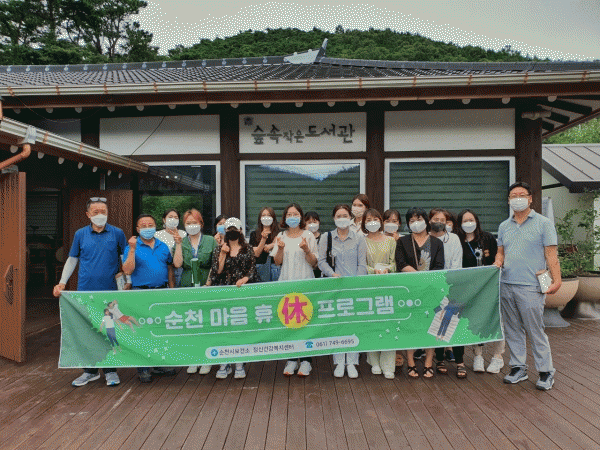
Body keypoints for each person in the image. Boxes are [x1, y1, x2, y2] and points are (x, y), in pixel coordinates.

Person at [494, 182, 561, 390]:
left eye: (522, 195)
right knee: (512, 329)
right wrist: (497, 262)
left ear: (530, 198)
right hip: (506, 283)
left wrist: (557, 280)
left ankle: (546, 371)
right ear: (508, 201)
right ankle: (518, 368)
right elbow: (501, 252)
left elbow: (551, 254)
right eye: (513, 195)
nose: (518, 199)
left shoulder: (543, 223)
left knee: (535, 330)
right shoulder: (504, 226)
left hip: (532, 285)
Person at [53, 197, 126, 387]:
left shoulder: (117, 233)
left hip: (109, 293)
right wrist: (62, 283)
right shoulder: (80, 234)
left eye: (103, 212)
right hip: (85, 292)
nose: (100, 215)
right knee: (87, 331)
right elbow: (72, 259)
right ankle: (90, 371)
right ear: (88, 214)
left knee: (109, 331)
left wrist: (128, 283)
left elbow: (124, 259)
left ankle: (110, 370)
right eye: (96, 212)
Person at [123, 214, 176, 383]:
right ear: (137, 229)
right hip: (141, 293)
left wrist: (172, 290)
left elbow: (170, 269)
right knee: (142, 331)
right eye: (143, 226)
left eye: (150, 225)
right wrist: (132, 249)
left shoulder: (162, 246)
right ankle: (144, 368)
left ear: (155, 227)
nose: (147, 228)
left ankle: (159, 364)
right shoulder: (131, 246)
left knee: (159, 330)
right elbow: (127, 270)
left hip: (161, 292)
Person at [318, 204, 367, 378]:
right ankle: (339, 361)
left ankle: (352, 362)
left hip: (353, 288)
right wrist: (332, 274)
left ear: (350, 218)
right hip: (335, 287)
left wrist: (356, 283)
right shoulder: (326, 237)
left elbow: (362, 264)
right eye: (338, 216)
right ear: (334, 218)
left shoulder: (359, 238)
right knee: (337, 324)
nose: (342, 219)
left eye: (345, 215)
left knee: (353, 324)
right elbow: (321, 261)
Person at [395, 207, 445, 379]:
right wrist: (418, 276)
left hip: (430, 290)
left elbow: (439, 266)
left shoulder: (437, 243)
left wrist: (426, 280)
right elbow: (401, 263)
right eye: (411, 220)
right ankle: (410, 362)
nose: (416, 223)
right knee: (411, 325)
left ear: (426, 221)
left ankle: (429, 362)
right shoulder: (403, 241)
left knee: (430, 325)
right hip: (410, 289)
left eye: (419, 219)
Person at [207, 217, 259, 379]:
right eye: (229, 230)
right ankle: (224, 362)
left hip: (243, 293)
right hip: (224, 293)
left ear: (241, 231)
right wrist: (223, 253)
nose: (232, 232)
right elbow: (216, 271)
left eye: (235, 229)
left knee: (240, 328)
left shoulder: (247, 248)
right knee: (225, 328)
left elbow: (252, 269)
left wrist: (245, 279)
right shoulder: (218, 249)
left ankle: (239, 362)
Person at [272, 203, 318, 377]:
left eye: (296, 214)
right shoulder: (281, 236)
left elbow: (314, 262)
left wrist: (306, 250)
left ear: (301, 217)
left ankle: (306, 361)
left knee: (305, 322)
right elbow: (277, 262)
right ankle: (291, 359)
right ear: (285, 218)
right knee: (289, 322)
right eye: (289, 214)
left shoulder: (308, 235)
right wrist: (280, 248)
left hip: (305, 284)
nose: (292, 217)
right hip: (287, 284)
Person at [456, 208, 504, 374]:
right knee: (476, 320)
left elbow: (498, 256)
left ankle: (498, 356)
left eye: (471, 220)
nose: (469, 223)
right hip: (470, 289)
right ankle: (478, 355)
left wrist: (496, 264)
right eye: (465, 221)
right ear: (459, 224)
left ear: (476, 221)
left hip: (490, 286)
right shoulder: (458, 241)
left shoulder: (487, 238)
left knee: (496, 319)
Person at [173, 208, 218, 375]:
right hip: (187, 284)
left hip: (206, 285)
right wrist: (178, 244)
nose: (192, 225)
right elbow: (177, 264)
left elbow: (215, 264)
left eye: (195, 222)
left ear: (201, 223)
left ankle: (207, 358)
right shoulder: (182, 241)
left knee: (206, 322)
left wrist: (208, 283)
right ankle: (194, 357)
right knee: (190, 323)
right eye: (188, 223)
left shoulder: (210, 240)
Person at [429, 208, 466, 378]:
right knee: (436, 322)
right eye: (435, 219)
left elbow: (457, 263)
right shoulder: (426, 238)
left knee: (454, 322)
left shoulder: (454, 239)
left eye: (442, 220)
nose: (438, 222)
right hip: (432, 287)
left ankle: (460, 361)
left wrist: (449, 283)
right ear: (429, 221)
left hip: (452, 286)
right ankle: (439, 359)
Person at [363, 209, 397, 379]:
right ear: (364, 222)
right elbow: (360, 264)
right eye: (369, 219)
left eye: (375, 218)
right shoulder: (361, 241)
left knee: (388, 324)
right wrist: (373, 270)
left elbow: (395, 263)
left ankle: (388, 364)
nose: (373, 222)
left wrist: (387, 269)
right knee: (371, 324)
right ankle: (374, 361)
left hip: (388, 286)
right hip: (369, 287)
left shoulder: (390, 241)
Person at [155, 209, 186, 287]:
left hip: (180, 269)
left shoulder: (183, 234)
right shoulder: (157, 235)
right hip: (164, 269)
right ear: (164, 219)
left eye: (176, 217)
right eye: (170, 217)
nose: (173, 219)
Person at [249, 207, 281, 282]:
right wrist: (264, 239)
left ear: (273, 218)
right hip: (259, 269)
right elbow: (255, 254)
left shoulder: (279, 233)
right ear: (260, 218)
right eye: (263, 215)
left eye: (269, 215)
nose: (266, 217)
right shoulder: (254, 234)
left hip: (276, 269)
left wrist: (272, 245)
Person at [304, 211, 323, 278]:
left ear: (319, 223)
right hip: (305, 271)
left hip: (321, 272)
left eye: (315, 222)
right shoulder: (302, 238)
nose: (312, 225)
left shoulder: (324, 238)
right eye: (309, 222)